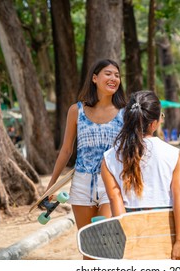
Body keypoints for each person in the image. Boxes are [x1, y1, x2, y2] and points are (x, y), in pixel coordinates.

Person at [45, 59, 126, 259]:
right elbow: (66, 151)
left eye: (117, 75)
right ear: (94, 78)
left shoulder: (125, 113)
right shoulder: (76, 111)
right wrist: (52, 185)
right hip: (81, 184)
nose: (114, 78)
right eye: (108, 73)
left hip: (112, 184)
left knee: (105, 241)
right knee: (88, 247)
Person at [101, 90, 180, 260]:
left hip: (131, 231)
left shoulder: (109, 158)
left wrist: (125, 241)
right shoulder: (173, 155)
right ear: (154, 124)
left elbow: (115, 200)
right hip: (166, 232)